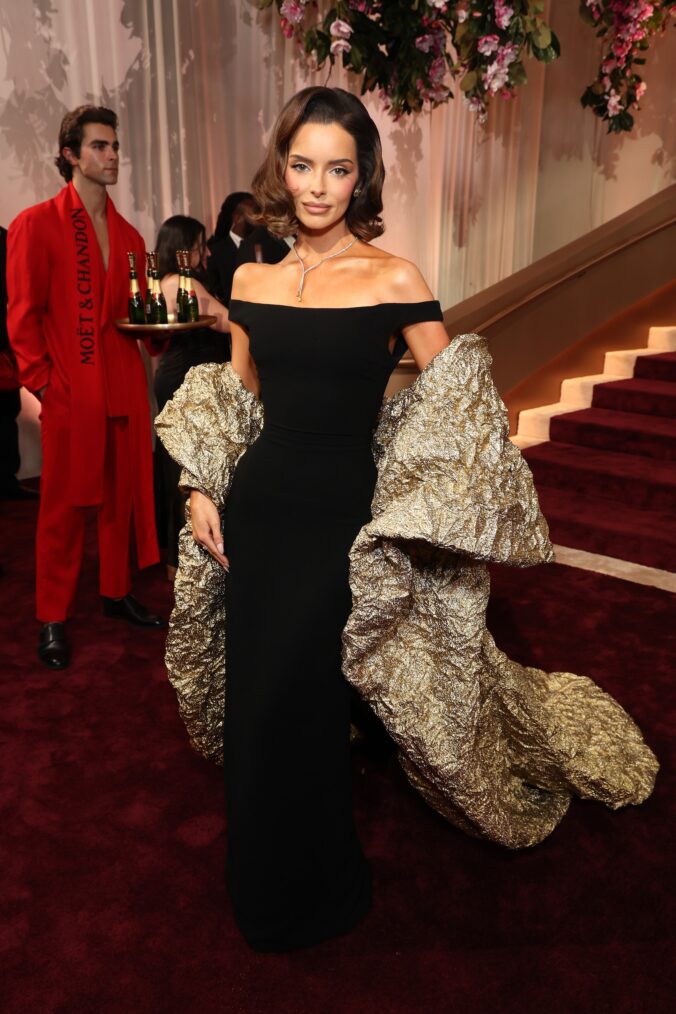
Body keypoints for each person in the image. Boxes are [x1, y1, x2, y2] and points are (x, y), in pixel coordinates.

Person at [155, 87, 657, 952]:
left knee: (308, 700)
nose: (317, 186)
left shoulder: (395, 277)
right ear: (282, 168)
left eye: (338, 169)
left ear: (362, 177)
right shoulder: (251, 277)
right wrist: (201, 485)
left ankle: (320, 886)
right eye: (303, 165)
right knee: (258, 695)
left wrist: (422, 499)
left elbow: (463, 399)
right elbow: (238, 395)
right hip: (259, 512)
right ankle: (260, 880)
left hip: (340, 523)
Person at [7, 104, 165, 671]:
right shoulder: (35, 223)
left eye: (116, 146)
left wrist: (164, 327)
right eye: (100, 146)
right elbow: (22, 318)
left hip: (122, 385)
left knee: (119, 498)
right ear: (70, 154)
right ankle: (52, 615)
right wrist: (46, 385)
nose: (113, 156)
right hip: (72, 391)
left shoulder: (129, 235)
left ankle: (116, 592)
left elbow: (136, 317)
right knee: (62, 509)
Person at [153, 215, 229, 576]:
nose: (207, 252)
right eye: (201, 244)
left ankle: (170, 556)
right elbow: (227, 319)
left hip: (171, 375)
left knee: (173, 466)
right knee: (188, 469)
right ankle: (180, 559)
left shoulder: (163, 282)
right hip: (186, 378)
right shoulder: (186, 284)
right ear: (186, 248)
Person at [0, 225, 38, 500]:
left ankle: (6, 480)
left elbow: (13, 286)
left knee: (6, 411)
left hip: (4, 339)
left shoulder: (5, 236)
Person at [206, 192, 256, 305]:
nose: (259, 218)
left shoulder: (262, 245)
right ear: (237, 218)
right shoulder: (214, 251)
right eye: (254, 213)